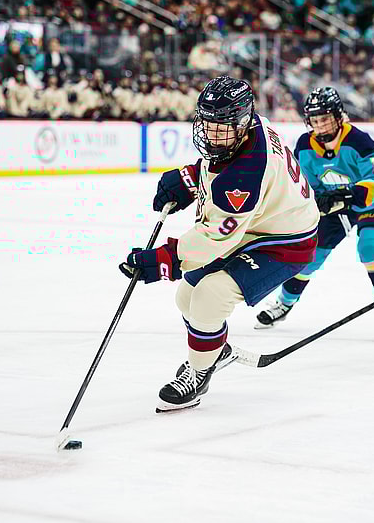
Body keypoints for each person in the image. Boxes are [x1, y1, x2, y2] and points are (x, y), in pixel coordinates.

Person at [119, 76, 320, 411]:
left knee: (211, 298)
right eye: (207, 123)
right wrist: (189, 178)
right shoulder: (248, 128)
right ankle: (214, 350)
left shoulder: (244, 175)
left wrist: (165, 258)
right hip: (258, 223)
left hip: (285, 240)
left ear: (241, 122)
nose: (212, 134)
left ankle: (199, 371)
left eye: (221, 126)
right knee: (187, 296)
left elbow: (215, 237)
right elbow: (218, 168)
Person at [254, 87, 374, 341]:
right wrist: (316, 200)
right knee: (309, 254)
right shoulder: (305, 145)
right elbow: (305, 183)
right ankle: (284, 303)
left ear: (339, 116)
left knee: (371, 248)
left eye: (325, 118)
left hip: (373, 203)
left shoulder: (361, 142)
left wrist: (349, 196)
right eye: (315, 120)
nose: (320, 125)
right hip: (337, 207)